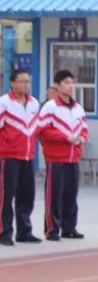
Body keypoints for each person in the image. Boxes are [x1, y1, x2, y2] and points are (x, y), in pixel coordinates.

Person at [38, 69, 89, 241]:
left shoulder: (78, 108)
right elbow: (42, 130)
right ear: (57, 86)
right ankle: (52, 229)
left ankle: (69, 228)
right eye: (66, 83)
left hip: (73, 157)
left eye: (72, 83)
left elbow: (84, 128)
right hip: (56, 158)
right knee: (54, 195)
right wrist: (64, 137)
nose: (70, 86)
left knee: (71, 194)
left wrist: (82, 138)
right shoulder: (50, 107)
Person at [0, 71, 41, 246]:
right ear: (12, 83)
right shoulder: (4, 102)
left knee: (26, 195)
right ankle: (4, 232)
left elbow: (37, 127)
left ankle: (24, 231)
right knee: (5, 196)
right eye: (22, 81)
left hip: (28, 155)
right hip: (9, 156)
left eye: (28, 81)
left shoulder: (34, 103)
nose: (26, 84)